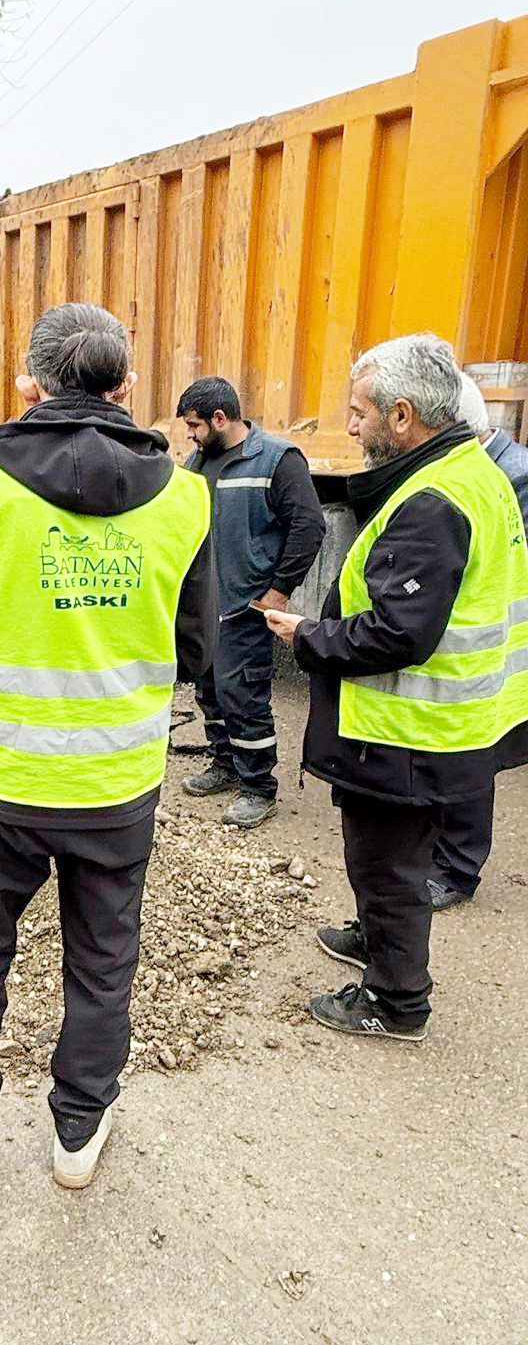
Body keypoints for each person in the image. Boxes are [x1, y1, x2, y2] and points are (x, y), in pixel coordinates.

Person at [0, 302, 216, 1198]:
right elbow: (197, 652)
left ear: (30, 383)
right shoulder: (186, 495)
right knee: (103, 959)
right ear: (126, 388)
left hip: (2, 783)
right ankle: (78, 1134)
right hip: (118, 785)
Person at [267, 335, 528, 1041]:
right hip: (446, 725)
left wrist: (306, 639)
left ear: (404, 416)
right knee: (394, 861)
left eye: (358, 412)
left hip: (409, 732)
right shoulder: (472, 470)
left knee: (387, 864)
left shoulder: (432, 500)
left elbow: (397, 633)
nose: (349, 426)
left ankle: (395, 1000)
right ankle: (379, 936)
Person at [177, 376, 325, 829]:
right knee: (210, 693)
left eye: (195, 425)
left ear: (221, 419)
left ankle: (258, 788)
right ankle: (224, 765)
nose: (190, 435)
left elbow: (308, 527)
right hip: (206, 607)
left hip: (246, 609)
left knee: (244, 698)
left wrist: (275, 594)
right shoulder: (196, 463)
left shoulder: (277, 460)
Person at [424, 373, 528, 909]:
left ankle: (459, 870)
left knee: (471, 764)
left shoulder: (509, 475)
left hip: (489, 649)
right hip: (474, 647)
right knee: (457, 759)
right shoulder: (491, 469)